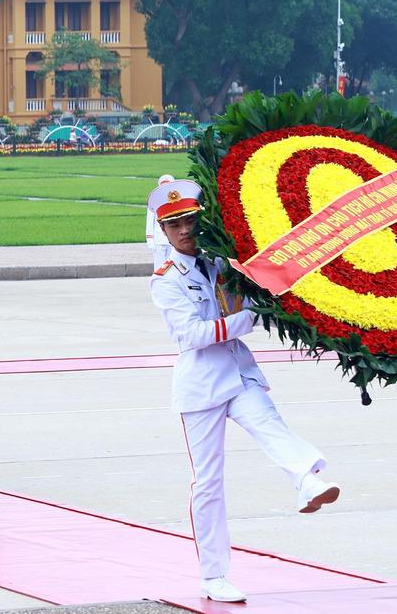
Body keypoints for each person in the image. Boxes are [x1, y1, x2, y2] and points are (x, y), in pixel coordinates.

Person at [147, 179, 340, 604]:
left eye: (190, 221)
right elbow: (193, 335)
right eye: (174, 225)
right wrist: (249, 318)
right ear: (163, 232)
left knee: (270, 423)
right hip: (201, 383)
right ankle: (214, 575)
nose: (184, 230)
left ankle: (306, 479)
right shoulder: (166, 279)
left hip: (238, 370)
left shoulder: (222, 262)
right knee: (209, 483)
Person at [146, 174, 174, 269]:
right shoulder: (154, 200)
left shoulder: (176, 200)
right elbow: (150, 222)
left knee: (173, 265)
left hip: (172, 239)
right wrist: (150, 239)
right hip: (158, 239)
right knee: (159, 266)